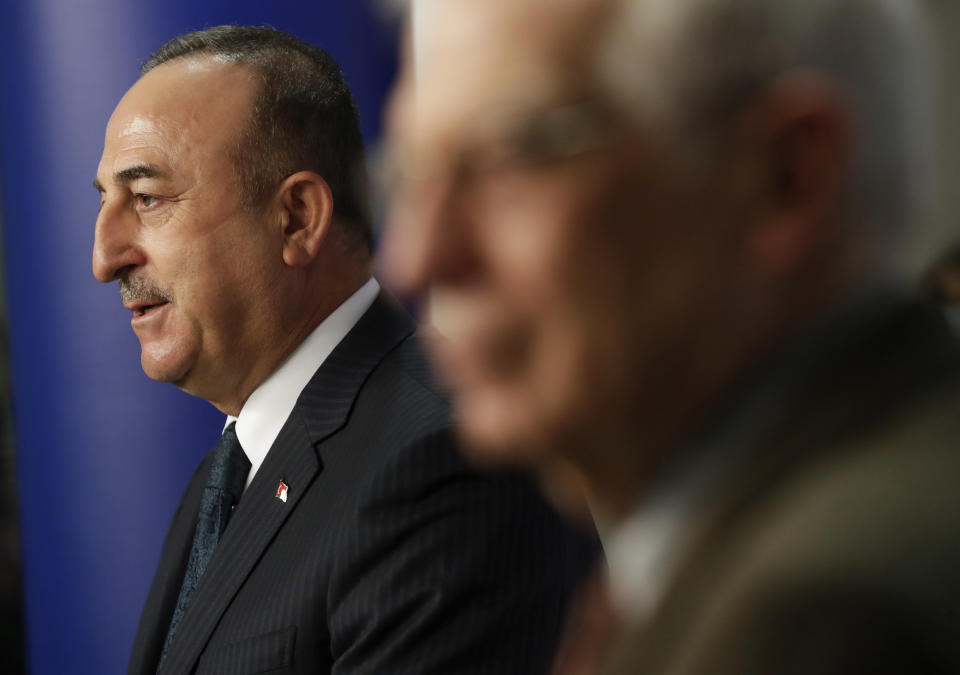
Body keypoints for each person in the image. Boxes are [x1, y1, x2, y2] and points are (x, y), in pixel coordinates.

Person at [384, 0, 960, 672]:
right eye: (408, 175)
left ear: (786, 177)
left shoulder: (825, 617)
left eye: (515, 156)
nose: (415, 257)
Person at [92, 25, 598, 675]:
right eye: (106, 201)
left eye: (147, 198)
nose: (104, 257)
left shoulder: (445, 459)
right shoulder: (226, 473)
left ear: (297, 217)